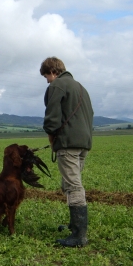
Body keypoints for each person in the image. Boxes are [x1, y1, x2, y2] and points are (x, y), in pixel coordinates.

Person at [40, 57, 94, 247]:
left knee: (73, 186)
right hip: (84, 142)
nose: (47, 80)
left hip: (68, 142)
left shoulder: (57, 86)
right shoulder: (80, 87)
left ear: (52, 72)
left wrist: (51, 132)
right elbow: (90, 114)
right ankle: (74, 225)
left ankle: (79, 236)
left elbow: (52, 118)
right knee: (70, 182)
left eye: (46, 76)